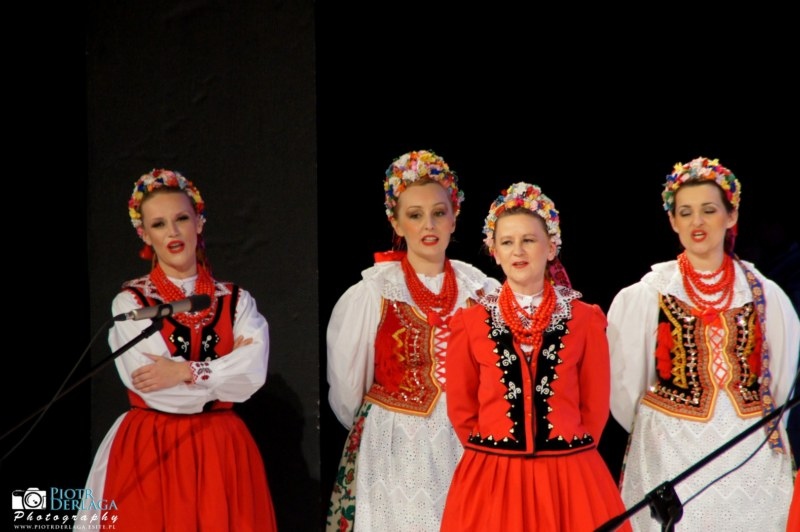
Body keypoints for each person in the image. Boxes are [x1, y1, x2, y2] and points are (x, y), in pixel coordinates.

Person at [76, 169, 277, 531]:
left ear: (199, 223)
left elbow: (251, 375)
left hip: (222, 447)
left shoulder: (236, 300)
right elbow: (157, 392)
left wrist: (184, 371)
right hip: (154, 444)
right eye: (159, 224)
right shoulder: (132, 303)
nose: (172, 231)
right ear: (144, 234)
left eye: (181, 218)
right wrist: (224, 373)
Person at [607, 157, 800, 530]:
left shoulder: (764, 294)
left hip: (749, 456)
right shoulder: (649, 294)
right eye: (686, 212)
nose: (697, 221)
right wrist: (657, 425)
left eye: (709, 210)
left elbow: (781, 378)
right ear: (673, 221)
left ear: (731, 215)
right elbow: (624, 386)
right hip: (669, 451)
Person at [325, 150, 500, 531]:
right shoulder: (374, 292)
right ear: (396, 222)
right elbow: (347, 391)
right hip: (396, 448)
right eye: (415, 215)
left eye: (439, 212)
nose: (429, 225)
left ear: (454, 216)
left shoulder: (481, 290)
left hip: (468, 443)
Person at [441, 182, 630, 531]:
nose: (518, 251)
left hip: (568, 474)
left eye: (528, 240)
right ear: (494, 251)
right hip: (494, 475)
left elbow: (594, 407)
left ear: (551, 246)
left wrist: (566, 451)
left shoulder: (585, 319)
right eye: (507, 242)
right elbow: (462, 410)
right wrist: (496, 453)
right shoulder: (470, 322)